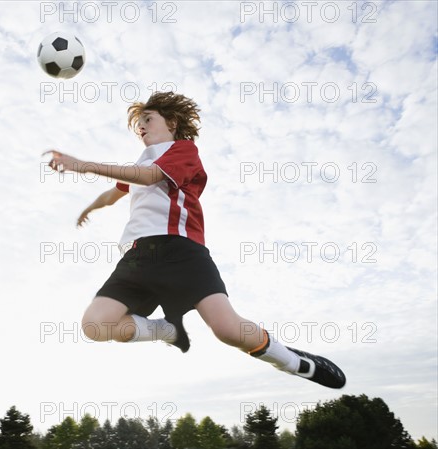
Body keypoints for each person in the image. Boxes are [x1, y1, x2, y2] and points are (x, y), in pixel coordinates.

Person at [44, 91, 346, 389]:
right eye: (139, 124)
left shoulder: (182, 150)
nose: (141, 126)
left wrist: (83, 164)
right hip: (138, 257)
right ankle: (166, 330)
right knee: (95, 324)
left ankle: (295, 363)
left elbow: (149, 177)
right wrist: (89, 208)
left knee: (228, 330)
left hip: (181, 252)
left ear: (172, 122)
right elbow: (112, 194)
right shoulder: (138, 165)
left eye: (148, 119)